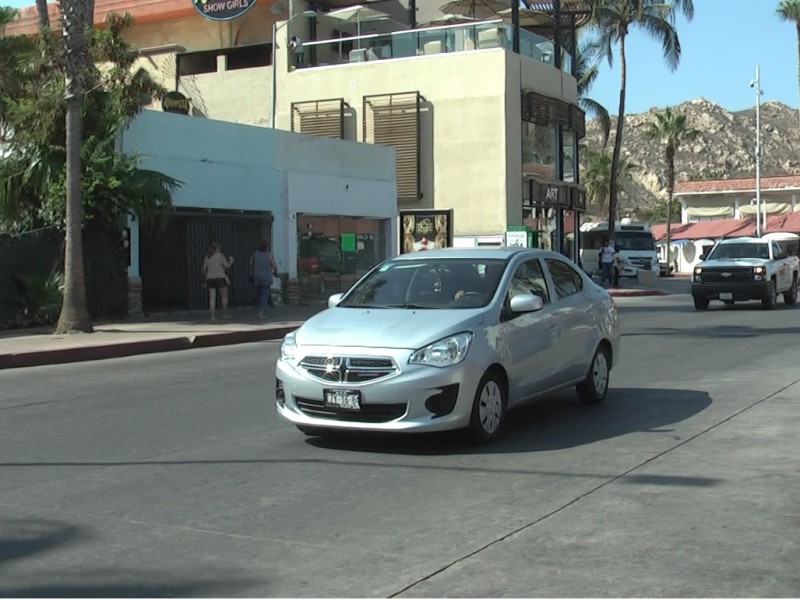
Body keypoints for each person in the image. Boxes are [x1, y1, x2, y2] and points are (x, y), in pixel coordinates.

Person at [202, 242, 233, 319]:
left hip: (210, 278)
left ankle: (212, 316)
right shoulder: (220, 256)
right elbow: (226, 266)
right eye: (219, 248)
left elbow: (203, 269)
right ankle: (225, 314)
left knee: (212, 297)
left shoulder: (207, 257)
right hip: (220, 277)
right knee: (224, 296)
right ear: (216, 249)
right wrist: (231, 262)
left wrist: (206, 278)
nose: (220, 249)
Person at [249, 241, 278, 318]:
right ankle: (261, 311)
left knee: (258, 293)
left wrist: (251, 274)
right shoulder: (269, 254)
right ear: (267, 247)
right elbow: (274, 265)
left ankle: (257, 306)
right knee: (265, 294)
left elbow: (251, 265)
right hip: (266, 277)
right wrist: (275, 271)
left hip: (256, 276)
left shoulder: (255, 254)